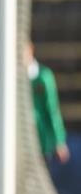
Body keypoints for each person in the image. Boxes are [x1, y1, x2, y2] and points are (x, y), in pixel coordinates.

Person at [25, 42, 71, 171]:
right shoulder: (12, 78)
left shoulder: (43, 76)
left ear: (31, 49)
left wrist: (59, 140)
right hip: (21, 140)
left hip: (41, 141)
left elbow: (52, 108)